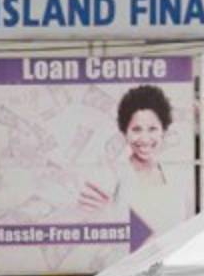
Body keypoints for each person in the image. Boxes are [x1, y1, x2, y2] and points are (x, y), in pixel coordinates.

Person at [78, 84, 190, 235]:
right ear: (125, 132)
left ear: (163, 131)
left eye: (152, 129)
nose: (144, 139)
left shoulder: (177, 177)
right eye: (136, 129)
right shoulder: (112, 177)